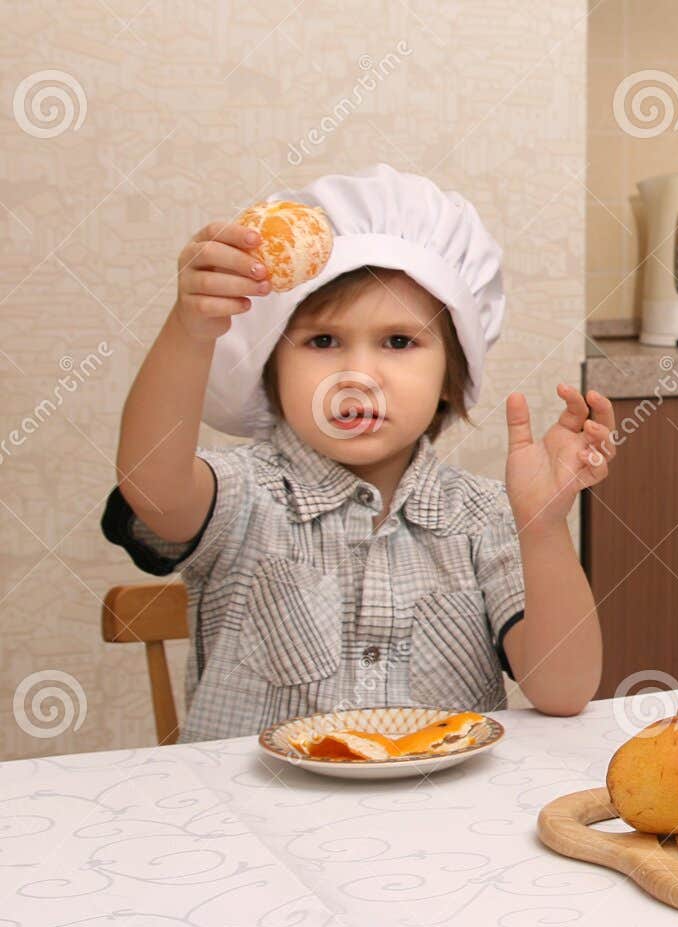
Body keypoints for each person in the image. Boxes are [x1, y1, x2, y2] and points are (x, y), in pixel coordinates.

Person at [103, 164, 615, 742]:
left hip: (437, 823)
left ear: (452, 375)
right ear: (271, 371)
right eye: (323, 341)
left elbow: (564, 689)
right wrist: (193, 328)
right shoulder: (244, 495)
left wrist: (544, 530)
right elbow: (150, 486)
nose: (358, 376)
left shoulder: (486, 517)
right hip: (251, 824)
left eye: (399, 342)